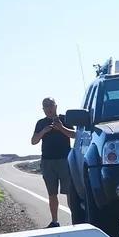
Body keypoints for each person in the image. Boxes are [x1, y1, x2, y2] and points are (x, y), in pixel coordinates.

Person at [31, 97, 76, 227]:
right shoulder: (40, 123)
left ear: (56, 106)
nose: (48, 108)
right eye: (45, 106)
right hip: (47, 162)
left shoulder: (64, 119)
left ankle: (75, 220)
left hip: (64, 161)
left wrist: (61, 128)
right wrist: (43, 131)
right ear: (43, 109)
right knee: (52, 193)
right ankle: (55, 221)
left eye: (50, 105)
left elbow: (75, 135)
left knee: (69, 192)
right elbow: (33, 141)